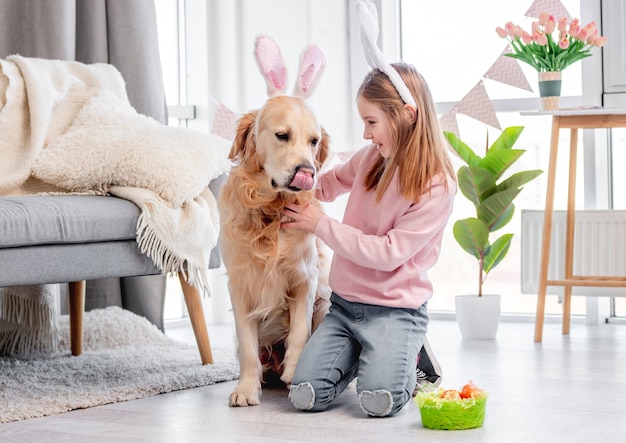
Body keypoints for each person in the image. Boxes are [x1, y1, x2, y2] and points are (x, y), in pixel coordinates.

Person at [281, 59, 457, 417]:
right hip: (345, 308)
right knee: (304, 395)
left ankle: (410, 355)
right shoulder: (372, 156)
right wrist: (297, 186)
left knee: (379, 401)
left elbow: (389, 253)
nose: (365, 134)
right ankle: (371, 353)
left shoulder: (437, 185)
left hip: (395, 311)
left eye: (371, 122)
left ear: (407, 115)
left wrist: (319, 224)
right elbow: (330, 183)